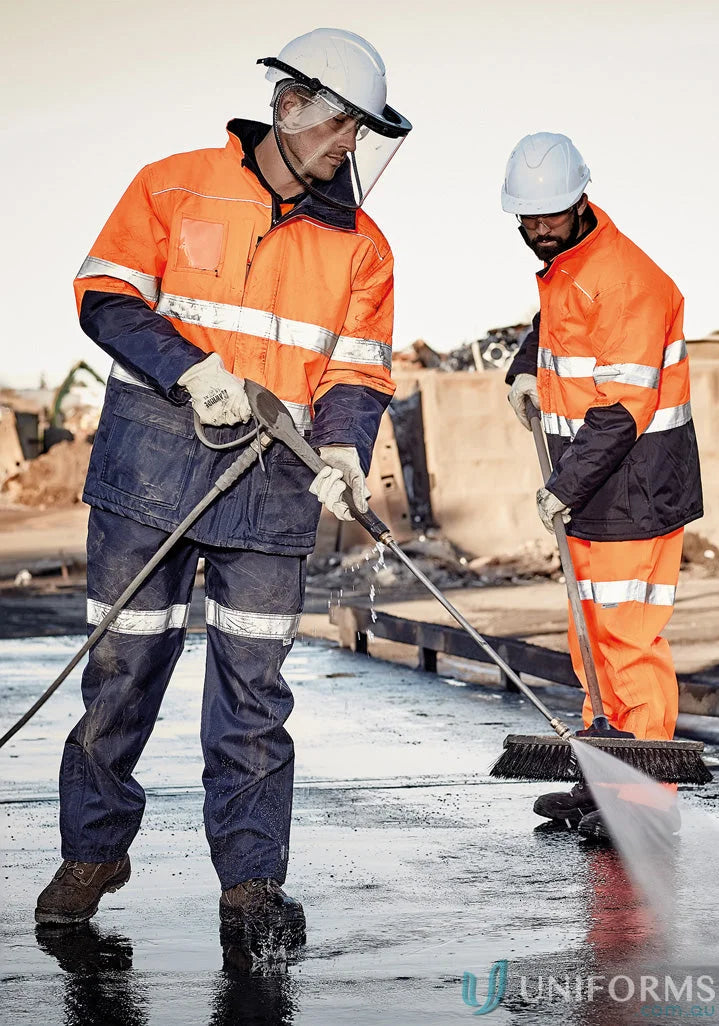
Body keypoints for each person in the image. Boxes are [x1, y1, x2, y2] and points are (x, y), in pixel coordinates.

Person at [35, 28, 411, 940]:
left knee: (253, 695)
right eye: (337, 124)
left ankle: (249, 884)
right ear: (288, 106)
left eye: (360, 131)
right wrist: (187, 369)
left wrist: (346, 451)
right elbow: (105, 294)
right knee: (121, 673)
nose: (346, 145)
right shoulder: (173, 181)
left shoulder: (362, 246)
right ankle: (91, 851)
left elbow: (356, 372)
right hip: (152, 468)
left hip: (274, 483)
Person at [503, 133, 703, 840]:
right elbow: (553, 328)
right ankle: (602, 781)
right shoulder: (569, 264)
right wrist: (523, 368)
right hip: (592, 489)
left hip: (635, 489)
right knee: (588, 638)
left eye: (549, 217)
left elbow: (623, 408)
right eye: (526, 221)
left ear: (581, 200)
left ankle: (644, 807)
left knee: (626, 639)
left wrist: (563, 484)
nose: (537, 231)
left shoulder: (627, 280)